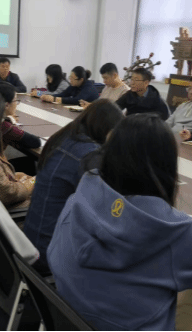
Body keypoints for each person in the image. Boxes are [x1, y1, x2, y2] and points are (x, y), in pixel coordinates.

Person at [47, 114, 192, 331]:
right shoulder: (173, 231)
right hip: (126, 324)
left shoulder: (80, 196)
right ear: (166, 164)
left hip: (70, 316)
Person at [23, 99, 125, 274]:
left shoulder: (62, 138)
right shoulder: (90, 155)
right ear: (106, 129)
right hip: (50, 253)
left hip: (31, 242)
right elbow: (106, 210)